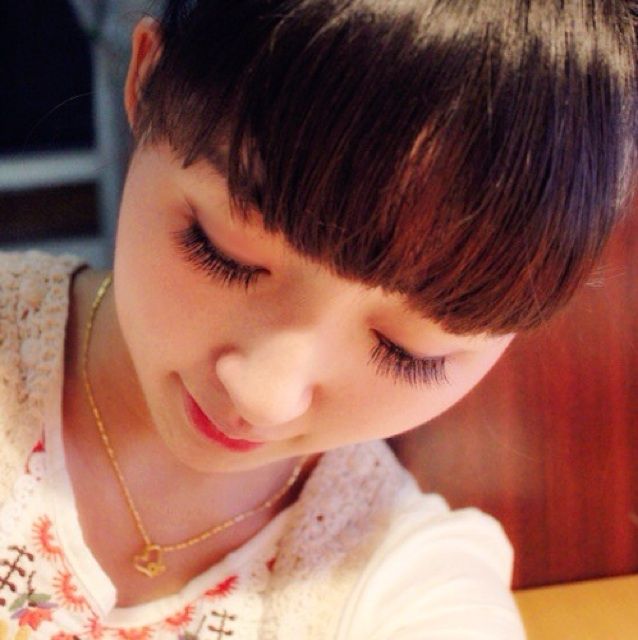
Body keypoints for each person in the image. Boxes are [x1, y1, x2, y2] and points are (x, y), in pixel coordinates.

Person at [0, 1, 636, 637]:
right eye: (223, 252)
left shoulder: (406, 580)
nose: (264, 396)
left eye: (408, 350)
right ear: (146, 81)